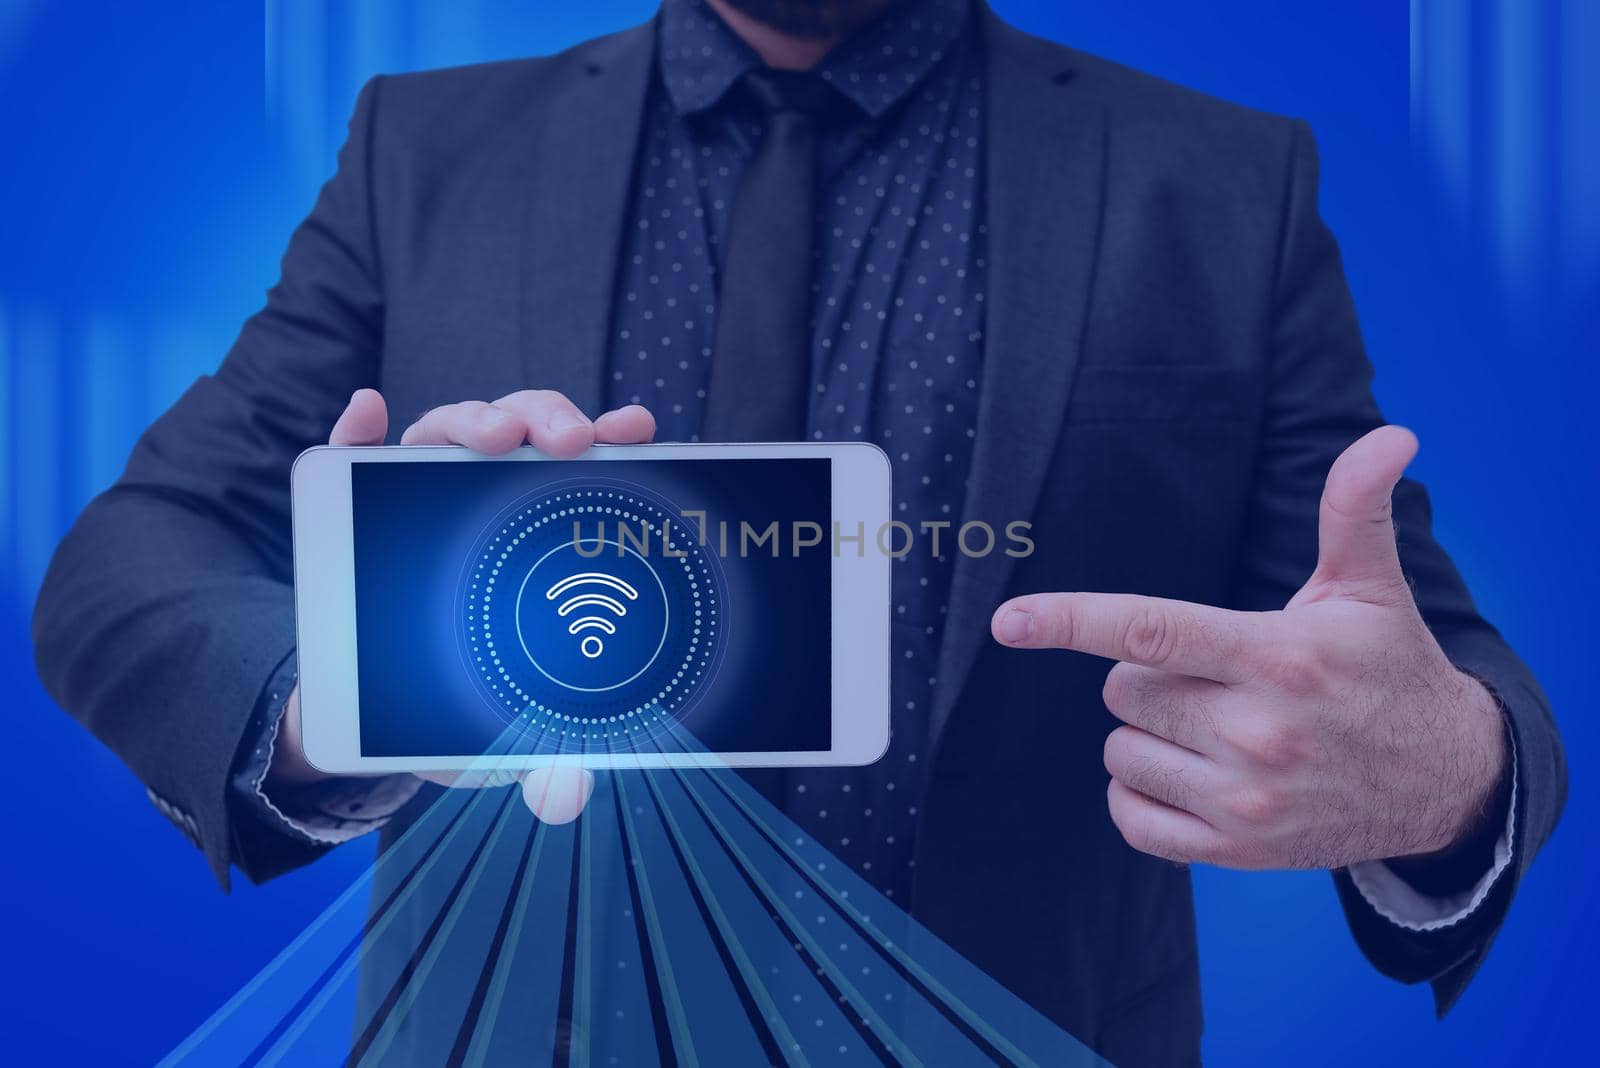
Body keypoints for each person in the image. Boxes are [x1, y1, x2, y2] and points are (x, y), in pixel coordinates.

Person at [31, 0, 1564, 1063]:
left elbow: (1419, 655)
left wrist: (1448, 772)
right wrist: (351, 689)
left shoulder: (1223, 185)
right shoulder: (423, 154)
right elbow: (132, 557)